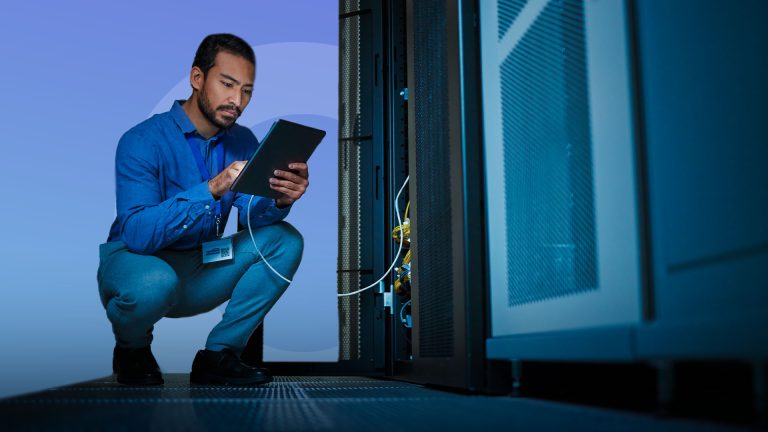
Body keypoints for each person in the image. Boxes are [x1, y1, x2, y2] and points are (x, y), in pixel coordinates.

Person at [97, 33, 309, 386]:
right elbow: (137, 234)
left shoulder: (243, 140)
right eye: (227, 84)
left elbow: (252, 218)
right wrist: (212, 188)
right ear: (197, 78)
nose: (237, 100)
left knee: (284, 241)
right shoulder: (142, 140)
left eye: (246, 90)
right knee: (154, 283)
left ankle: (220, 354)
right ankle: (132, 348)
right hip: (137, 263)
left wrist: (280, 199)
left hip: (200, 263)